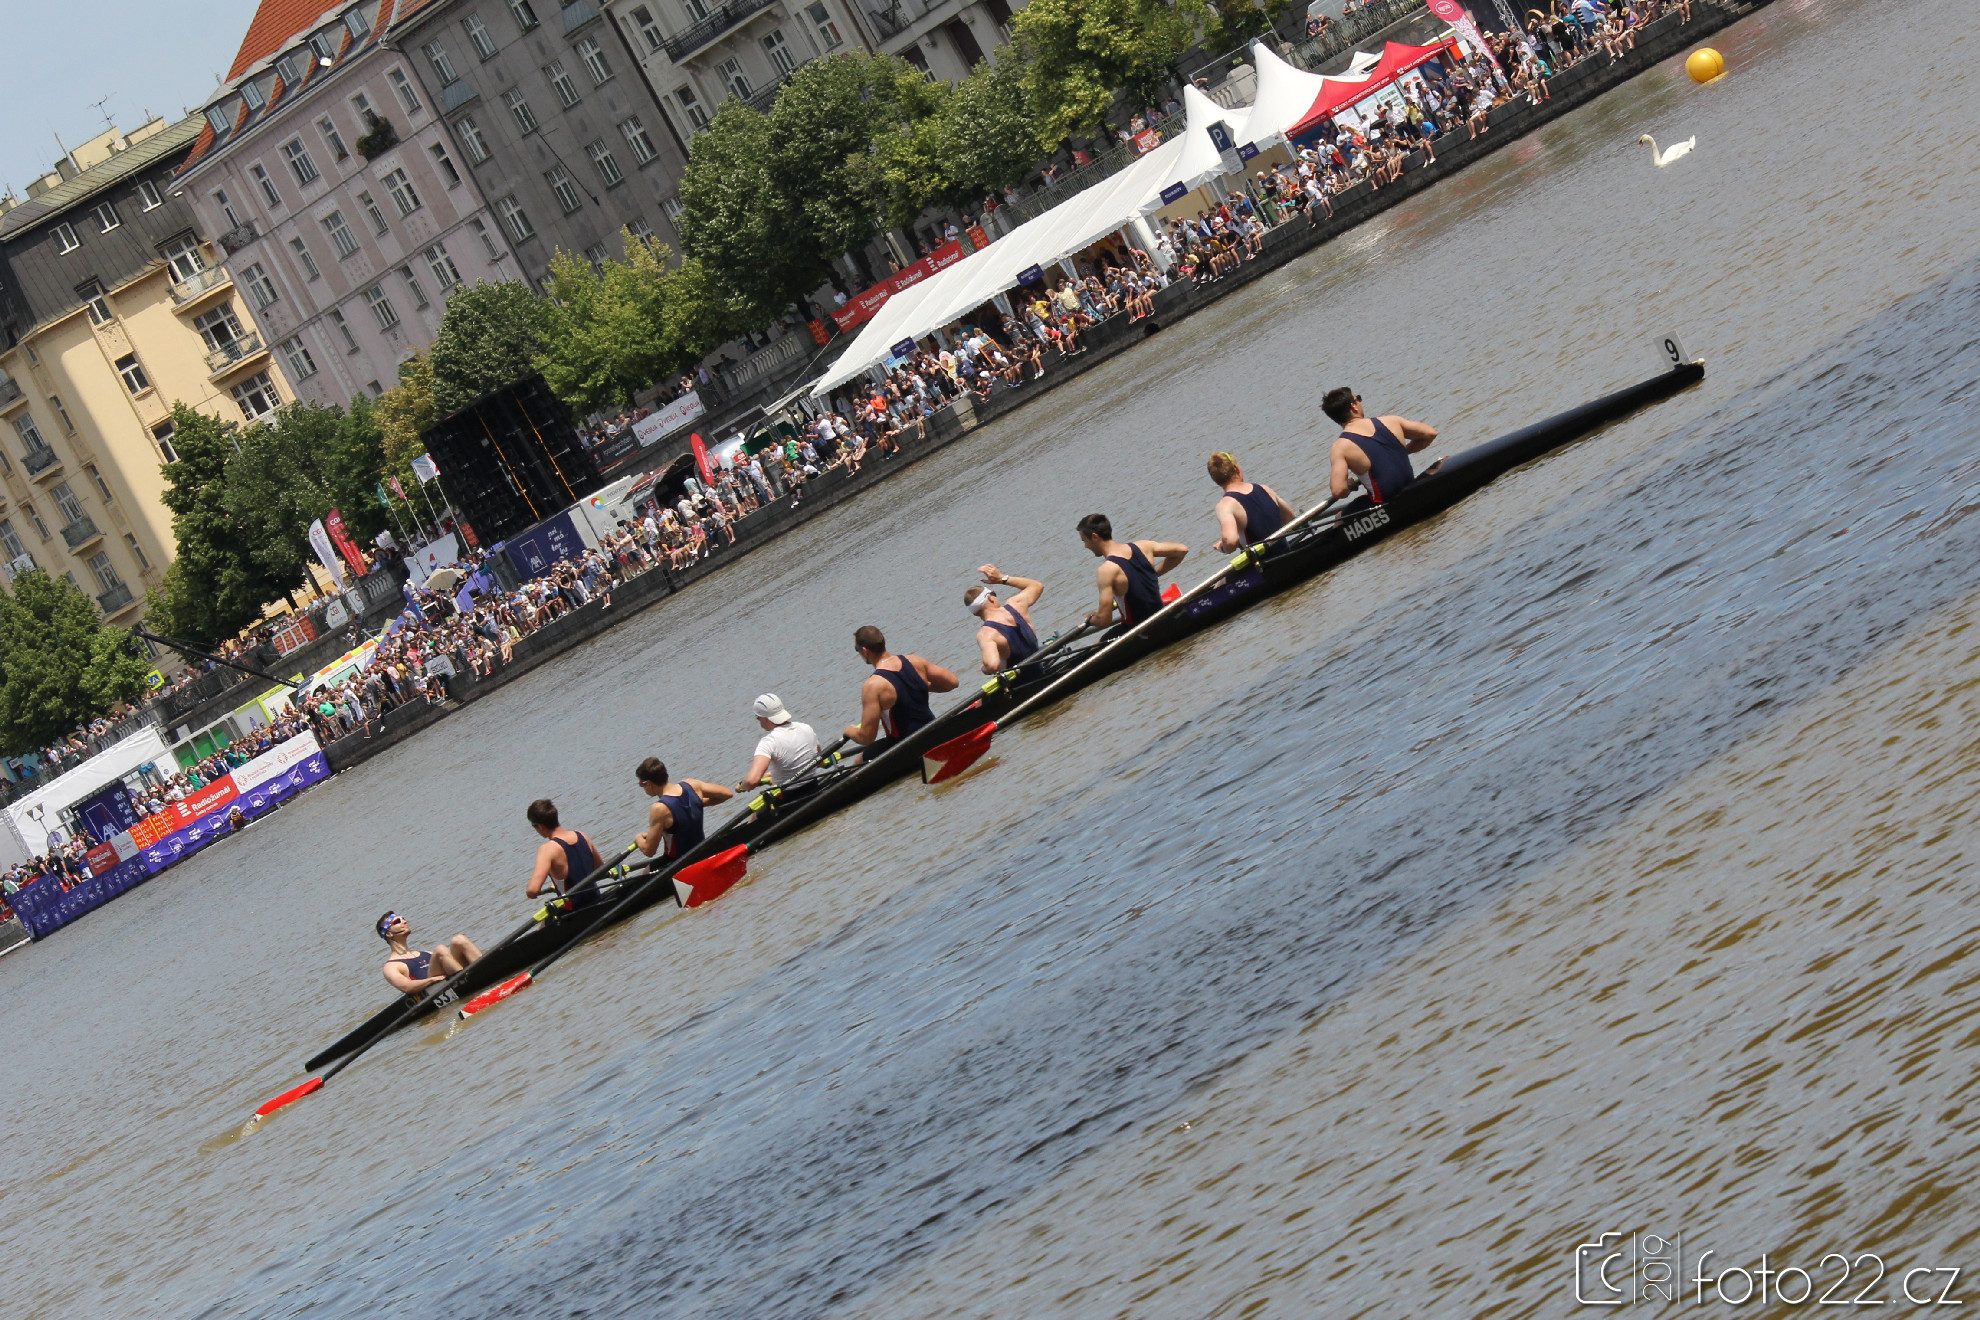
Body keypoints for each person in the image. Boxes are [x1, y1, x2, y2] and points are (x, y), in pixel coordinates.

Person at [844, 625, 959, 754]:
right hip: (933, 732)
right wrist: (919, 686)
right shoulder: (915, 661)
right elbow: (952, 682)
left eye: (857, 650)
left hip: (904, 749)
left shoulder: (873, 685)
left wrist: (850, 731)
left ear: (865, 651)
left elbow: (867, 737)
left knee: (860, 760)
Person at [1320, 388, 1441, 502]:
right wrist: (1400, 451)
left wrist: (1349, 486)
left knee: (1340, 514)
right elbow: (1430, 433)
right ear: (1354, 406)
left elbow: (1338, 490)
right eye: (1359, 398)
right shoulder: (1391, 421)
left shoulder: (1340, 447)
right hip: (1410, 488)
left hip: (1386, 502)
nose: (1361, 402)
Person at [1076, 514, 1188, 629]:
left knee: (1100, 641)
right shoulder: (1144, 546)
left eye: (1085, 541)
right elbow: (1182, 550)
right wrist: (1154, 574)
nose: (1086, 546)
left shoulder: (1106, 570)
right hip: (1162, 615)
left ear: (1094, 537)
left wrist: (1091, 618)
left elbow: (1104, 620)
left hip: (1138, 628)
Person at [634, 757, 733, 861]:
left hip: (678, 862)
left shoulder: (659, 808)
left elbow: (649, 851)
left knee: (647, 870)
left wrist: (638, 838)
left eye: (641, 784)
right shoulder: (692, 785)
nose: (642, 788)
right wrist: (698, 803)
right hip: (703, 853)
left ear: (649, 784)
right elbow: (727, 794)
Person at [523, 798, 606, 910]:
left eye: (534, 826)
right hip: (597, 900)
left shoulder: (547, 849)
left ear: (541, 826)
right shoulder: (582, 836)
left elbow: (533, 890)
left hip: (575, 910)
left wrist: (532, 893)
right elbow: (601, 868)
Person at [1208, 452, 1298, 552]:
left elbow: (1230, 541)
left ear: (1216, 480)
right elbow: (1290, 518)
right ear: (1237, 469)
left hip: (1264, 561)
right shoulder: (1265, 489)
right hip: (1287, 554)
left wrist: (1223, 547)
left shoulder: (1225, 505)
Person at [965, 565, 1044, 673]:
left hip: (1022, 682)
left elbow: (992, 666)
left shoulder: (986, 634)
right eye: (994, 593)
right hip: (1040, 669)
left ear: (975, 614)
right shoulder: (1017, 604)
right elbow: (1037, 586)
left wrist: (983, 669)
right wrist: (1002, 578)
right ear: (990, 598)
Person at [377, 912, 481, 993]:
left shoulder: (426, 953)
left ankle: (484, 969)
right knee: (440, 949)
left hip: (448, 978)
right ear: (389, 934)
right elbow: (407, 987)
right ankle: (469, 983)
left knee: (459, 940)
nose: (404, 921)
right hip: (434, 988)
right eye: (397, 921)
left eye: (403, 918)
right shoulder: (391, 966)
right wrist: (431, 980)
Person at [739, 694, 822, 791]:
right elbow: (819, 762)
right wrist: (774, 775)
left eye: (758, 718)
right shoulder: (806, 728)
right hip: (814, 787)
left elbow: (751, 781)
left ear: (765, 719)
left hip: (789, 796)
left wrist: (742, 786)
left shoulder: (769, 742)